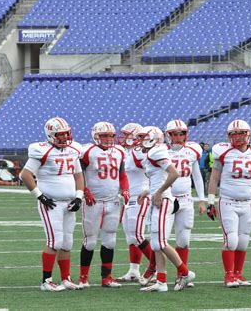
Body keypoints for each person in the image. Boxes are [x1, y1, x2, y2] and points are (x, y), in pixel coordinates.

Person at [20, 117, 84, 292]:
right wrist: (40, 196)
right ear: (50, 135)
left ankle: (66, 279)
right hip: (51, 203)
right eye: (60, 135)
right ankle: (46, 281)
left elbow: (78, 175)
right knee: (54, 241)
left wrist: (79, 196)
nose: (64, 137)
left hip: (69, 202)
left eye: (66, 134)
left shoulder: (74, 149)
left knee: (67, 242)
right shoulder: (41, 150)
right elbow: (25, 175)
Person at [207, 120, 251, 288]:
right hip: (228, 201)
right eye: (234, 134)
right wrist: (210, 201)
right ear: (229, 136)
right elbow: (214, 178)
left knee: (243, 242)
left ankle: (238, 274)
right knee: (231, 240)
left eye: (241, 133)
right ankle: (228, 276)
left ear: (248, 134)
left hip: (248, 203)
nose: (238, 137)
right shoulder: (223, 152)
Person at [134, 126, 195, 292]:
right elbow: (159, 177)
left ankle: (185, 272)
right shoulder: (153, 152)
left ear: (153, 138)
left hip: (164, 200)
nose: (139, 141)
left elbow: (174, 173)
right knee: (155, 243)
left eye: (142, 137)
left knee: (160, 242)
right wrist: (149, 191)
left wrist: (160, 192)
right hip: (157, 198)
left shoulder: (156, 152)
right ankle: (161, 281)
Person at [77, 122, 128, 289]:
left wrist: (125, 189)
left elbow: (122, 174)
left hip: (113, 201)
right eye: (104, 135)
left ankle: (106, 277)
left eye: (111, 135)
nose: (108, 139)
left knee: (110, 240)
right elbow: (77, 174)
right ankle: (83, 278)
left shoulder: (119, 151)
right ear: (96, 136)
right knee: (90, 241)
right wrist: (85, 190)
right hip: (94, 202)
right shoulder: (87, 152)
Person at [165, 120, 206, 286]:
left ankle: (182, 274)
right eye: (175, 134)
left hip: (186, 199)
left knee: (184, 240)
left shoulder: (192, 150)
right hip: (167, 199)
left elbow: (196, 176)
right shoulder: (161, 151)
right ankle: (156, 272)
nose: (178, 137)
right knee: (161, 240)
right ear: (168, 135)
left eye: (181, 133)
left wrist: (202, 199)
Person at [117, 123, 155, 283]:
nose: (123, 137)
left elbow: (153, 167)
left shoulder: (140, 152)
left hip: (140, 196)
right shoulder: (127, 151)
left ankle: (157, 267)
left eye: (126, 134)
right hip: (128, 198)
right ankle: (134, 270)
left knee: (138, 235)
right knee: (131, 237)